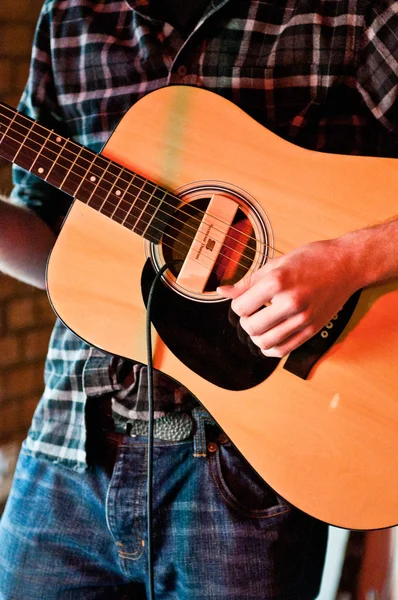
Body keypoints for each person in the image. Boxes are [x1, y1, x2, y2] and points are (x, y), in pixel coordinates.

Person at [0, 1, 397, 598]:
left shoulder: (351, 13)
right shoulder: (70, 16)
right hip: (71, 446)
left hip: (252, 470)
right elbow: (57, 243)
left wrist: (349, 260)